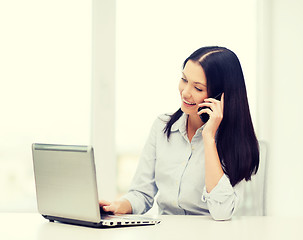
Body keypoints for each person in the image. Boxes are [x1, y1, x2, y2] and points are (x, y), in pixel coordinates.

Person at [99, 46, 260, 220]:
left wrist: (208, 138)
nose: (185, 92)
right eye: (184, 79)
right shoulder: (162, 126)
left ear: (221, 96)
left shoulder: (235, 142)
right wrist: (117, 206)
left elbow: (222, 213)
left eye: (198, 88)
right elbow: (141, 193)